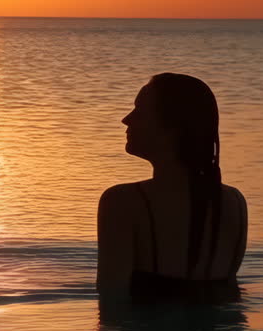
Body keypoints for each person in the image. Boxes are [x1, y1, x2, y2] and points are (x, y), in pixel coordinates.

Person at [96, 73, 248, 304]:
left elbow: (112, 296)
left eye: (139, 112)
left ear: (171, 128)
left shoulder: (123, 202)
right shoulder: (234, 201)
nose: (126, 120)